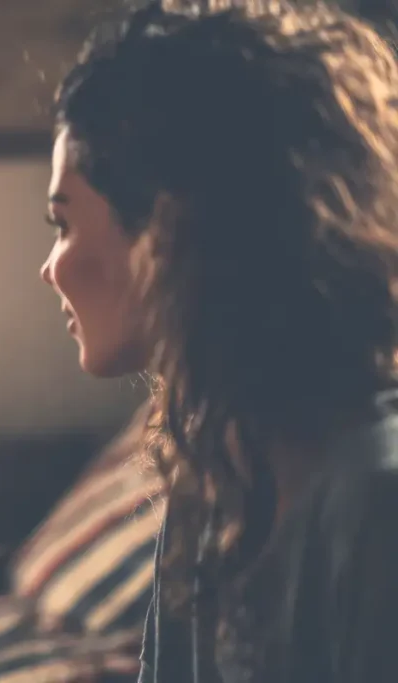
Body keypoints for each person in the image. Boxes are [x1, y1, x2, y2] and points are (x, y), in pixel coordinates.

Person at [38, 1, 398, 681]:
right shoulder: (216, 465)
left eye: (62, 223)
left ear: (169, 232)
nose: (50, 267)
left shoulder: (377, 500)